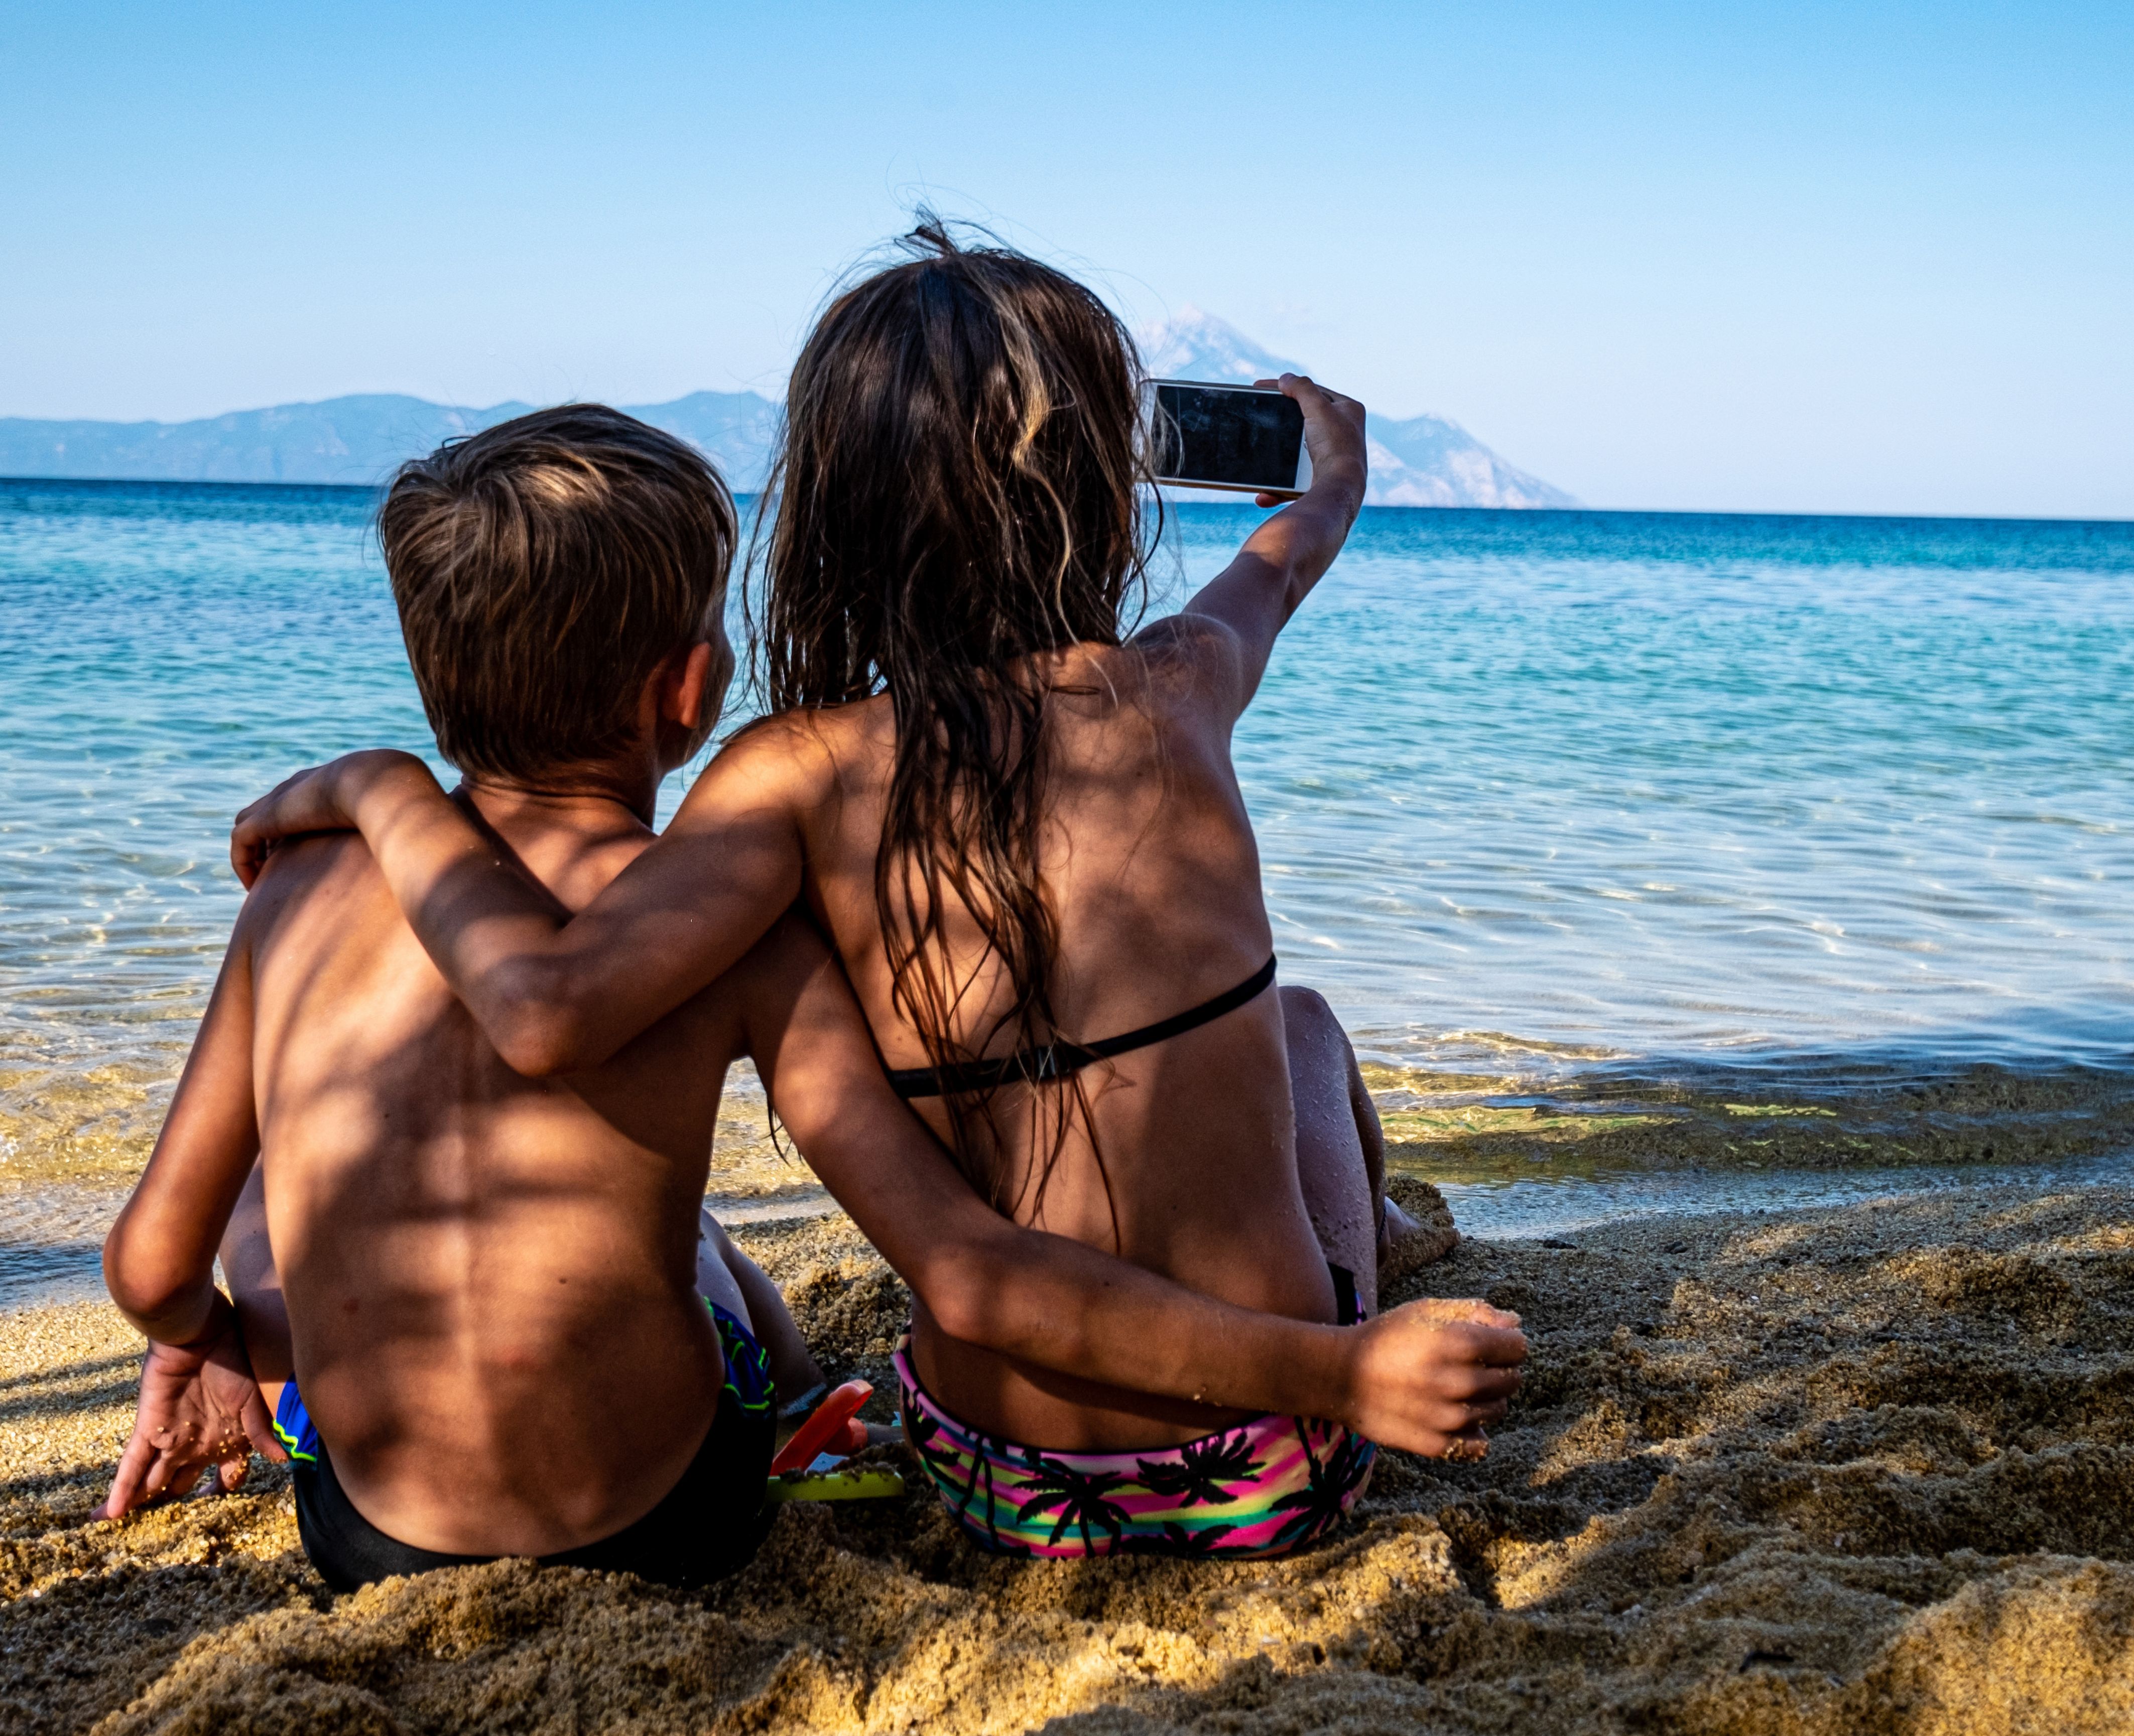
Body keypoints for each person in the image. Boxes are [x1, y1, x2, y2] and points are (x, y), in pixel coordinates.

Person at [229, 224, 1514, 1560]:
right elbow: (1286, 559)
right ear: (1093, 491)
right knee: (1302, 1026)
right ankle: (1378, 1258)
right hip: (1276, 1466)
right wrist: (1333, 477)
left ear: (836, 522)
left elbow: (548, 1005)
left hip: (995, 1482)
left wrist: (384, 793)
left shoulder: (789, 777)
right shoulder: (1179, 680)